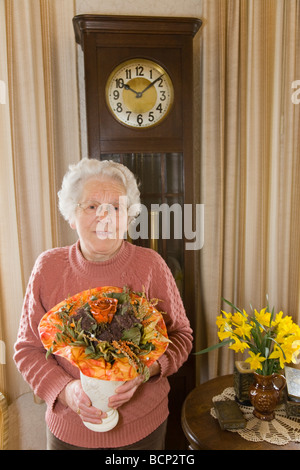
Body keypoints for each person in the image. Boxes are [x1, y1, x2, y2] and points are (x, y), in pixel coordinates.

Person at [14, 158, 193, 450]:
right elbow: (27, 350)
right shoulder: (48, 268)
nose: (105, 217)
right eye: (92, 206)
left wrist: (146, 370)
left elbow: (181, 336)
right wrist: (66, 390)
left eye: (116, 207)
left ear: (129, 216)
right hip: (69, 434)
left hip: (143, 429)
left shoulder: (151, 266)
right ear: (72, 215)